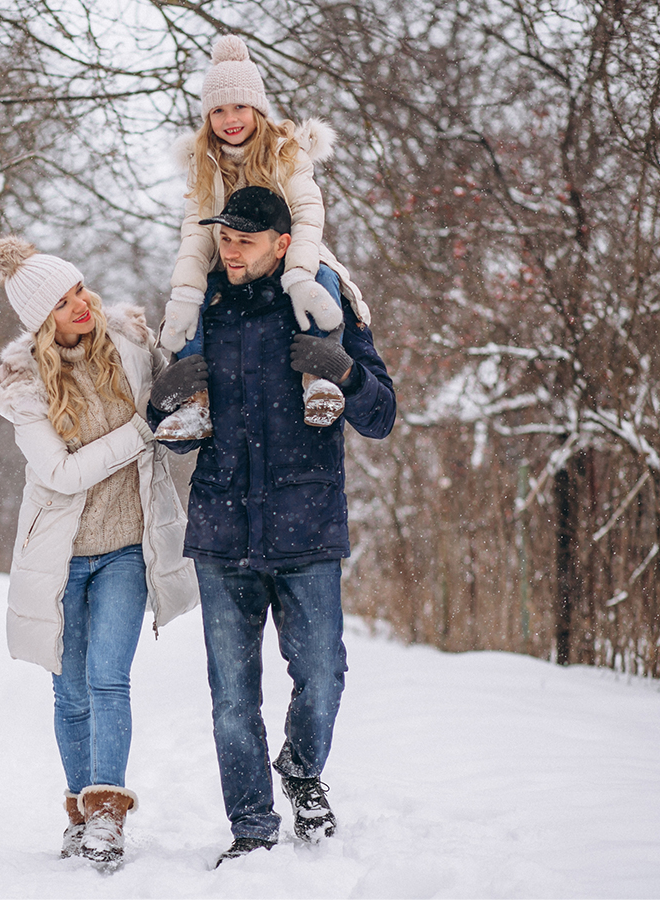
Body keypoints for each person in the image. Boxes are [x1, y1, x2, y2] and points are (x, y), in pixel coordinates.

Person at [147, 186, 396, 866]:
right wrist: (163, 404)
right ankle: (252, 829)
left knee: (323, 674)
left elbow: (381, 415)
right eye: (224, 237)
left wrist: (343, 372)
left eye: (246, 238)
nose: (230, 249)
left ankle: (302, 768)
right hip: (222, 531)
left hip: (306, 528)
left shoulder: (320, 307)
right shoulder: (206, 312)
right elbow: (169, 431)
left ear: (282, 244)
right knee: (232, 698)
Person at [0, 236, 199, 866]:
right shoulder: (22, 388)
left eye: (78, 289)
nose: (80, 304)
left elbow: (178, 389)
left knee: (107, 679)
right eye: (62, 301)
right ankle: (77, 810)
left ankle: (106, 817)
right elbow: (63, 475)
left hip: (126, 548)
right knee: (68, 692)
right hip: (61, 558)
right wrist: (139, 430)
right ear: (41, 321)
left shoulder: (128, 345)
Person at [157, 34, 372, 436]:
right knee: (193, 304)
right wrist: (186, 291)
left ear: (258, 108)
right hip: (231, 261)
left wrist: (299, 275)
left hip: (292, 253)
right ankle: (194, 404)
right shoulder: (203, 164)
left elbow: (308, 214)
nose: (229, 118)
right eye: (218, 110)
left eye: (240, 106)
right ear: (207, 118)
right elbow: (196, 231)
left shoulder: (286, 153)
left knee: (322, 280)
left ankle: (319, 380)